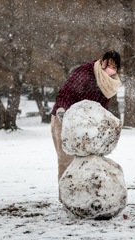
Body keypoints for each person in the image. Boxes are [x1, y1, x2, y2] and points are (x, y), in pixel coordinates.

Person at [51, 50, 122, 186]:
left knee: (89, 160)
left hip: (87, 124)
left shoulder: (110, 83)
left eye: (114, 67)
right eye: (108, 64)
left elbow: (101, 108)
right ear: (101, 60)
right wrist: (62, 109)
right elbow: (66, 91)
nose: (110, 69)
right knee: (66, 159)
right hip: (65, 118)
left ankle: (85, 194)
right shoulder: (86, 71)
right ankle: (67, 196)